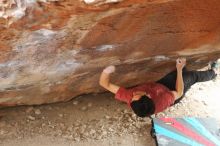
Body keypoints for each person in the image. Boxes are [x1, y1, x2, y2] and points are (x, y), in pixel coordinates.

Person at [99, 58, 219, 117]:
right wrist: (178, 69)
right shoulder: (163, 100)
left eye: (133, 97)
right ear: (148, 96)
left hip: (159, 86)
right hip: (173, 92)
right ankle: (214, 72)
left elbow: (105, 84)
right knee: (192, 76)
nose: (133, 93)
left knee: (181, 73)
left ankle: (183, 71)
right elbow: (179, 91)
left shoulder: (130, 98)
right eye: (137, 94)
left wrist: (107, 71)